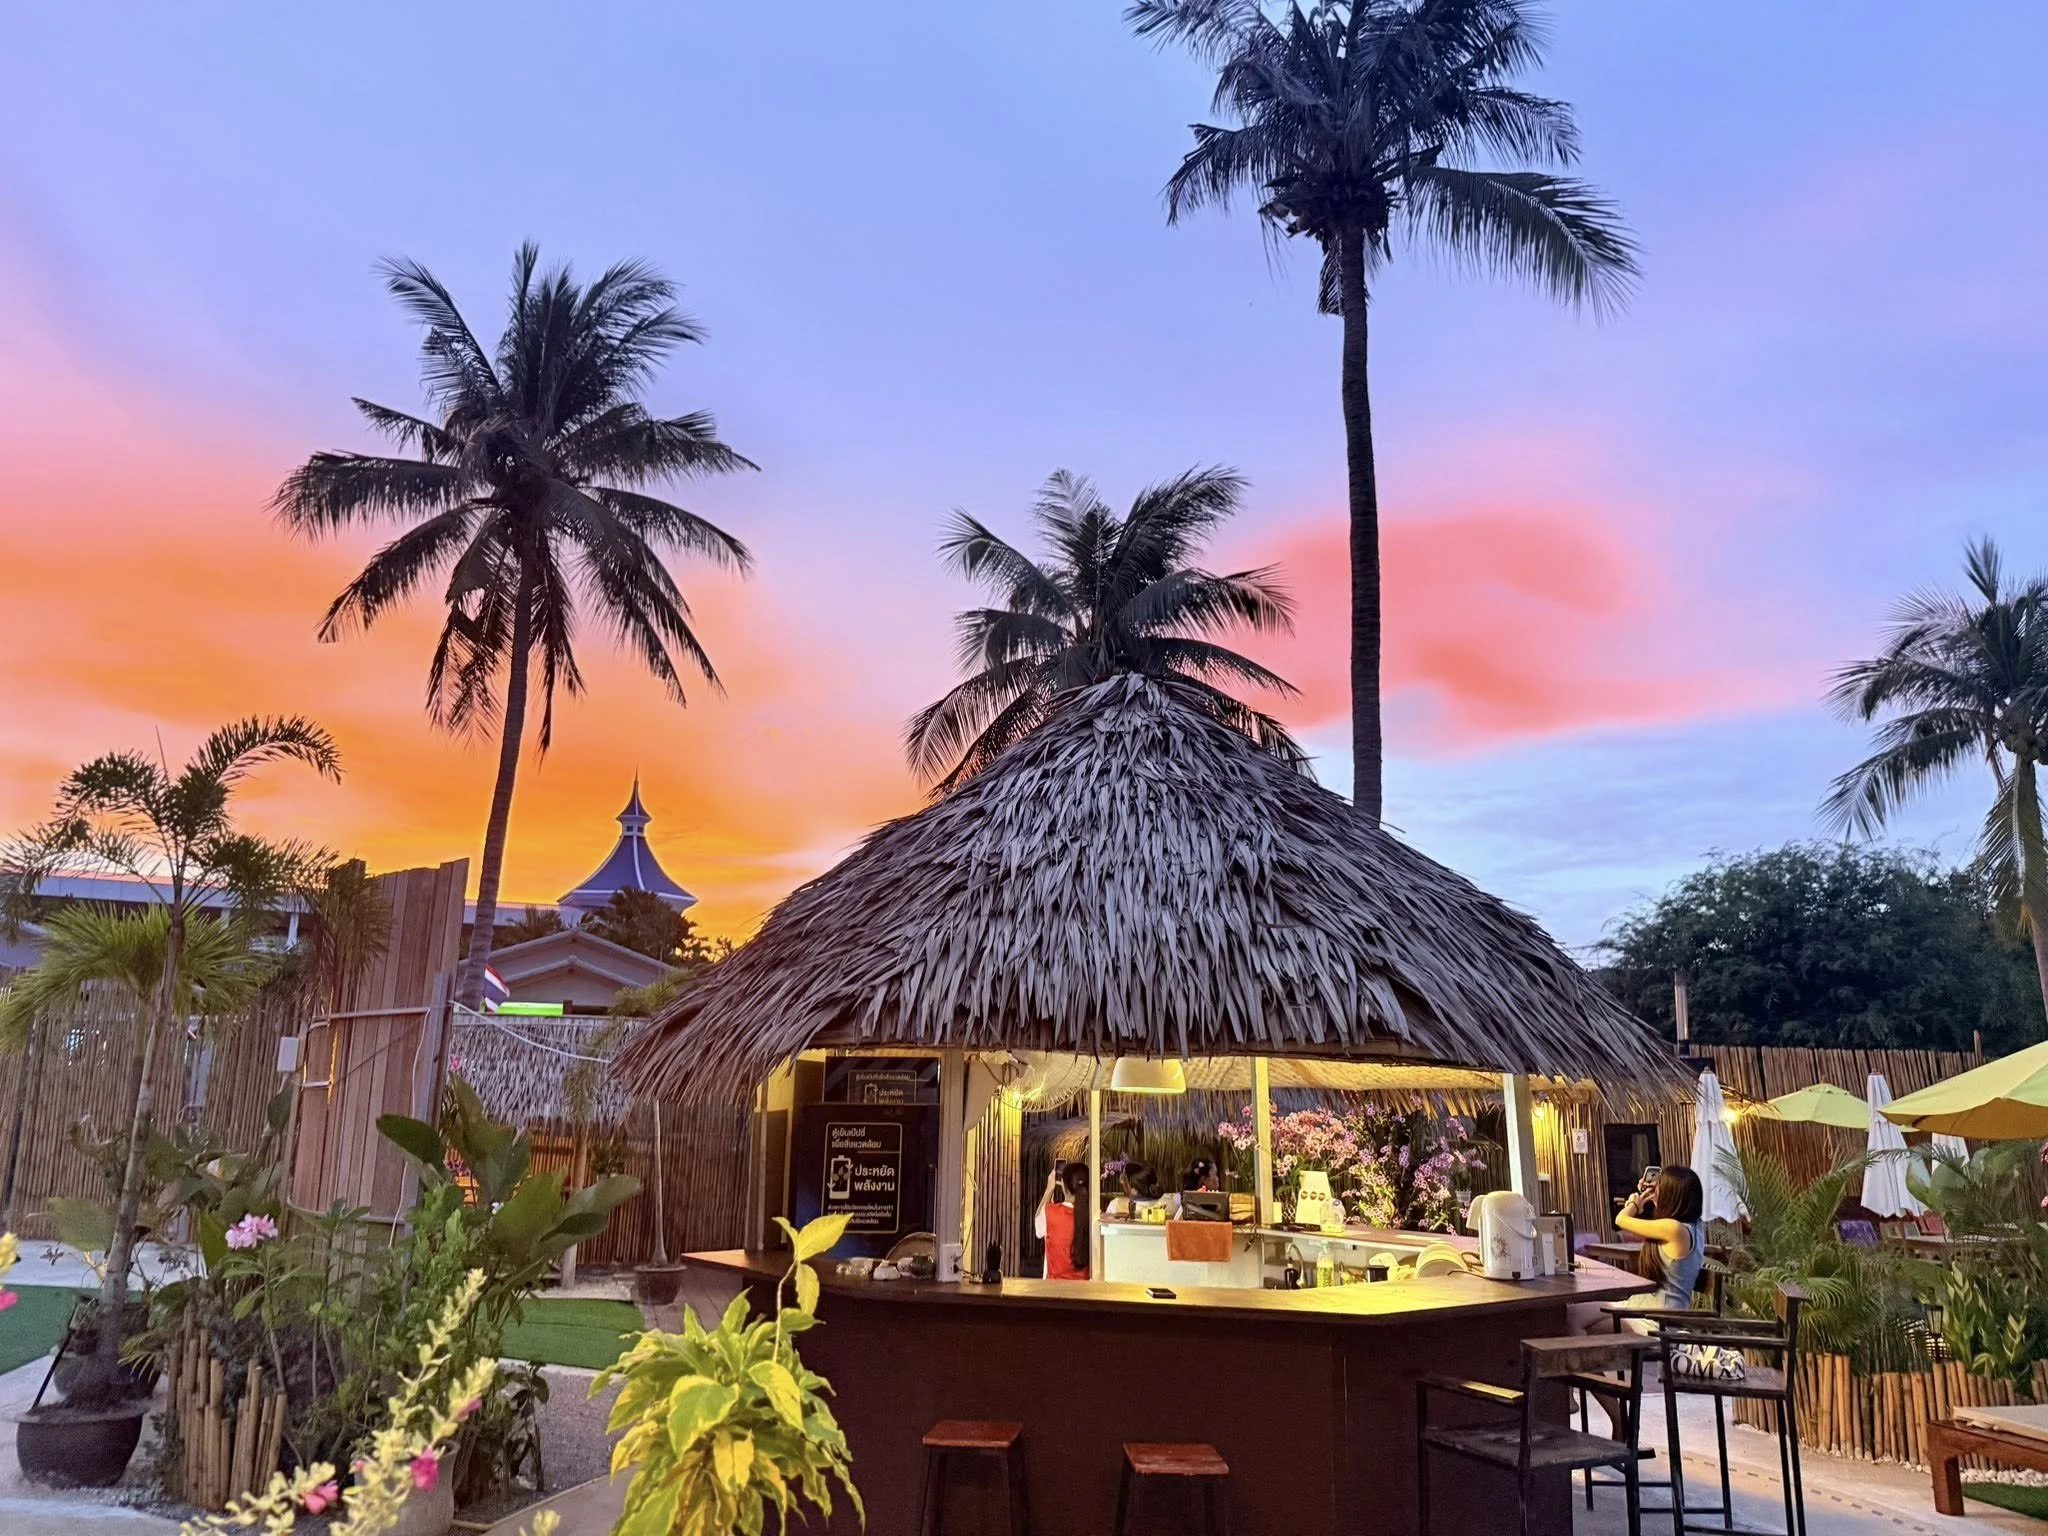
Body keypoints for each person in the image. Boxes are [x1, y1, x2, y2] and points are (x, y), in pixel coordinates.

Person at [1569, 1164, 1708, 1429]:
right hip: (1647, 1310)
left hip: (1656, 1322)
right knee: (1573, 1325)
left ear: (1673, 1195)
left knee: (1572, 1326)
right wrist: (1652, 1197)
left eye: (1660, 1189)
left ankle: (1614, 1412)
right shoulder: (1694, 1226)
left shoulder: (1676, 1230)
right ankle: (1611, 1407)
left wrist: (1635, 1201)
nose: (1656, 1193)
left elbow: (1621, 1221)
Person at [1033, 1162, 1093, 1280]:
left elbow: (1038, 1227)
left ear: (1064, 1188)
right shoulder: (1094, 1216)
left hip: (1054, 1290)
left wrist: (1049, 1189)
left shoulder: (1051, 1213)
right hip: (1085, 1291)